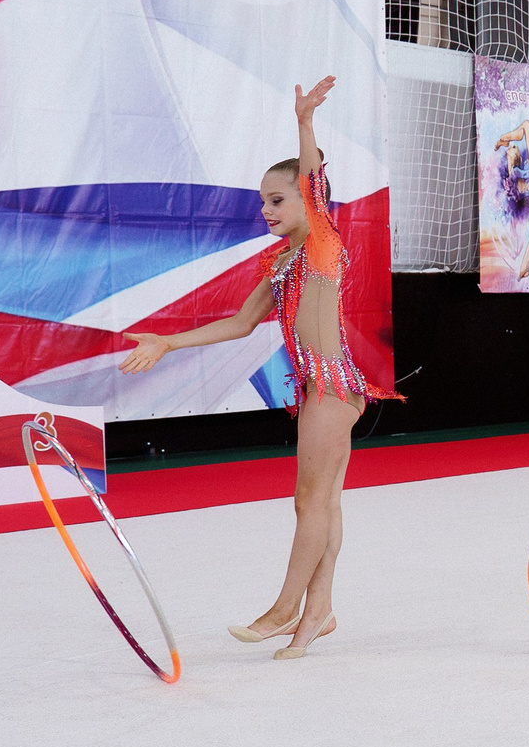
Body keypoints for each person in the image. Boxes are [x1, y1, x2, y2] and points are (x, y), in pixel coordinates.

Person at [119, 77, 397, 658]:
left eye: (277, 200)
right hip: (320, 389)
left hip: (331, 385)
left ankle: (283, 608)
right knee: (324, 501)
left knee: (309, 501)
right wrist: (168, 343)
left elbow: (315, 185)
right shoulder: (281, 262)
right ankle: (318, 612)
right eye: (263, 202)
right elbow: (240, 325)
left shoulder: (321, 241)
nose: (266, 211)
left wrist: (303, 123)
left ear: (303, 202)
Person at [490, 118, 529, 281]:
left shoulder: (516, 171)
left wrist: (502, 141)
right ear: (514, 156)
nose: (515, 147)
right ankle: (524, 268)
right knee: (527, 125)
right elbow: (526, 174)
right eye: (513, 147)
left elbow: (526, 176)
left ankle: (524, 269)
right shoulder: (518, 171)